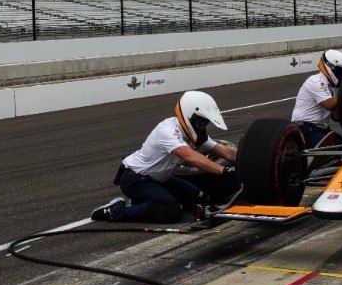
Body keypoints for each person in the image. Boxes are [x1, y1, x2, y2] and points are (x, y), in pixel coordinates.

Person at [92, 90, 238, 223]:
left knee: (201, 197)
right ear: (190, 117)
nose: (203, 128)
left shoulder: (192, 133)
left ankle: (142, 202)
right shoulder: (168, 131)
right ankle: (116, 210)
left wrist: (249, 158)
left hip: (159, 179)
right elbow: (189, 156)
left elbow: (224, 151)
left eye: (205, 124)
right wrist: (224, 171)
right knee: (172, 211)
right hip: (136, 179)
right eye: (201, 123)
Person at [290, 50, 342, 148]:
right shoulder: (315, 80)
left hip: (321, 130)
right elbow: (328, 104)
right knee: (327, 157)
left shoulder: (330, 89)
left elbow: (335, 116)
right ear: (331, 67)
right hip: (305, 129)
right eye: (341, 71)